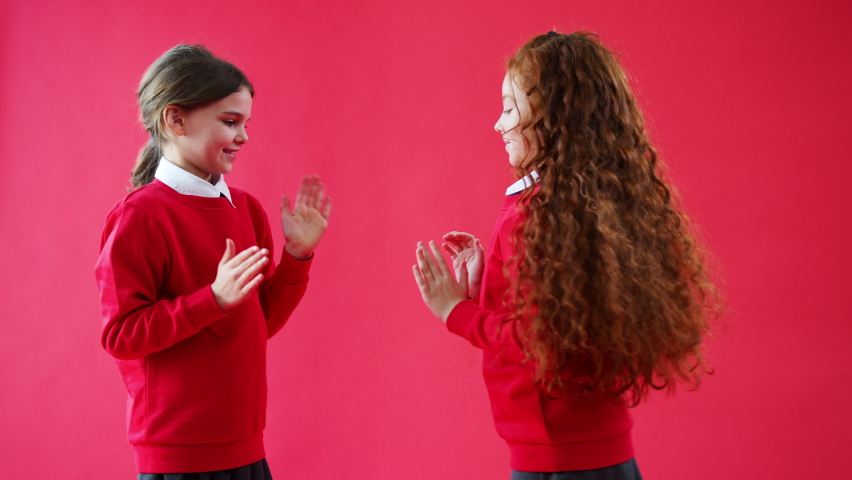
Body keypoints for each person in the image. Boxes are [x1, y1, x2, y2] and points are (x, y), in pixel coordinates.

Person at [412, 31, 721, 480]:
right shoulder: (588, 204)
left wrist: (455, 312)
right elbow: (560, 319)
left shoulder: (536, 212)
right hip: (597, 454)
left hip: (559, 462)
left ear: (554, 117)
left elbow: (542, 341)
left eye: (509, 108)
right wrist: (485, 289)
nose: (498, 125)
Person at [94, 45, 331, 479]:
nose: (243, 136)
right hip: (179, 453)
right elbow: (120, 335)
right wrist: (212, 299)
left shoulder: (247, 209)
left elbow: (259, 323)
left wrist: (297, 257)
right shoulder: (140, 216)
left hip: (244, 443)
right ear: (176, 119)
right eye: (229, 122)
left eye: (245, 123)